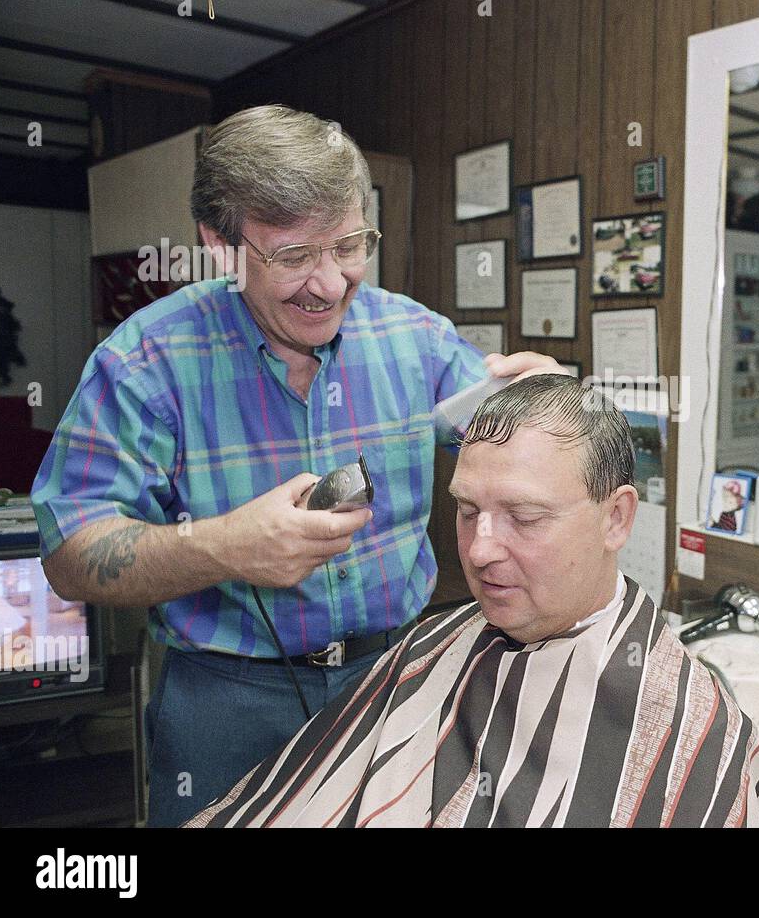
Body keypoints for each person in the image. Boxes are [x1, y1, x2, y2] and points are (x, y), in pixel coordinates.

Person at [30, 106, 562, 827]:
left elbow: (511, 440)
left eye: (349, 245)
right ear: (220, 245)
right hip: (227, 702)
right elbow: (68, 557)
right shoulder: (143, 363)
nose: (330, 283)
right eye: (291, 256)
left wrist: (548, 407)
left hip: (396, 675)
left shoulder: (418, 337)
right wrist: (225, 546)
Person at [185, 375, 759, 827]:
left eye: (524, 517)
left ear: (616, 518)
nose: (478, 551)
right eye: (467, 509)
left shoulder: (690, 723)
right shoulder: (437, 643)